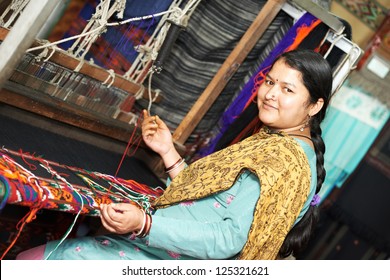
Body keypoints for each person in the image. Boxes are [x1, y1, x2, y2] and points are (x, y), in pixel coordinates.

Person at [16, 49, 332, 260]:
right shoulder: (275, 143)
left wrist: (145, 224)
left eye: (287, 90)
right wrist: (168, 152)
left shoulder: (284, 162)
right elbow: (213, 204)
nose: (271, 94)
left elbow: (228, 239)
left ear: (315, 106)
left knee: (30, 261)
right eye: (270, 82)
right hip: (163, 248)